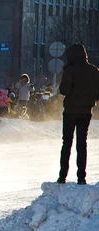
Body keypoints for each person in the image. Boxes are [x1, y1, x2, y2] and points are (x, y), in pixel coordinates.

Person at [57, 43, 99, 185]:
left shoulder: (70, 71)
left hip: (70, 112)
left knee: (67, 143)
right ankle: (81, 177)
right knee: (82, 144)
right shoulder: (94, 71)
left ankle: (62, 176)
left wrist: (67, 72)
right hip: (86, 112)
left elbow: (64, 90)